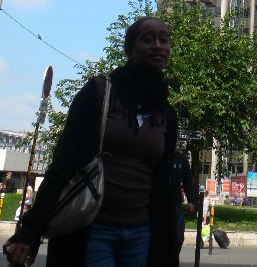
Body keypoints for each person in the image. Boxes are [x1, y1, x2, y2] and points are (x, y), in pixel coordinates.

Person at [3, 17, 178, 267]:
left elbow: (163, 184)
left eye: (164, 39)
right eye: (148, 39)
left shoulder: (165, 113)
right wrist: (30, 230)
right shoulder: (98, 93)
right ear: (130, 49)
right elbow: (64, 163)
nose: (158, 46)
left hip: (140, 234)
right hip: (94, 229)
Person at [172, 147, 195, 253]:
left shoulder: (181, 159)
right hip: (158, 204)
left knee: (178, 236)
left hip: (176, 203)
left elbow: (187, 181)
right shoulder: (158, 155)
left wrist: (191, 200)